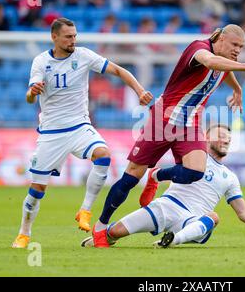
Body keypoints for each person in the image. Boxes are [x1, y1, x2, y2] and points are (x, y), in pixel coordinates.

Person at [92, 24, 245, 248]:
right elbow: (210, 62)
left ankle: (157, 176)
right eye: (235, 45)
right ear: (219, 38)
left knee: (195, 171)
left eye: (242, 47)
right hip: (164, 118)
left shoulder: (223, 61)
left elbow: (224, 70)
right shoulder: (199, 49)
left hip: (190, 123)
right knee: (131, 176)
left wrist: (237, 88)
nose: (238, 50)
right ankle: (101, 226)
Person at [11, 18, 153, 248]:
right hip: (51, 132)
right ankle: (24, 233)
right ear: (54, 37)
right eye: (68, 37)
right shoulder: (41, 61)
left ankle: (85, 210)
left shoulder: (84, 56)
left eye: (75, 36)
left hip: (79, 126)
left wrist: (139, 90)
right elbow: (30, 97)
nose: (73, 40)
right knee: (37, 190)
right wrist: (32, 92)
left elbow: (117, 70)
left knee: (103, 155)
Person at [82, 124, 245, 248]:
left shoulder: (230, 177)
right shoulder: (192, 156)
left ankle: (174, 240)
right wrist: (154, 180)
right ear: (206, 137)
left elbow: (243, 213)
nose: (225, 139)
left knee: (214, 216)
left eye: (228, 137)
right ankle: (102, 235)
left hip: (192, 219)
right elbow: (157, 171)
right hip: (165, 206)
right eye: (220, 135)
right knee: (115, 233)